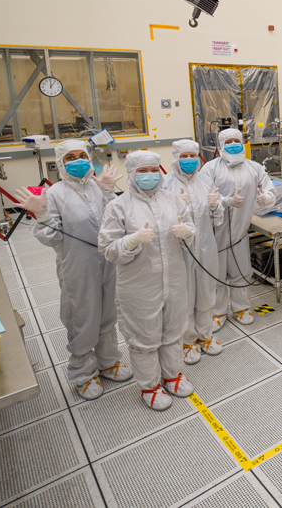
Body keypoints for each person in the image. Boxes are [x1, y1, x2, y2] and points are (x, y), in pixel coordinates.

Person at [12, 141, 131, 400]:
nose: (78, 161)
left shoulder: (97, 187)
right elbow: (50, 237)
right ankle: (83, 374)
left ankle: (108, 361)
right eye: (71, 157)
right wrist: (41, 214)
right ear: (61, 162)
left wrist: (110, 195)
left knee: (108, 312)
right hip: (77, 264)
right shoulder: (54, 193)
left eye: (82, 156)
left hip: (107, 262)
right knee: (83, 316)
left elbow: (114, 222)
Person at [98, 151, 196, 411]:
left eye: (153, 169)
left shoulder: (172, 200)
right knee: (144, 337)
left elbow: (189, 228)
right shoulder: (118, 206)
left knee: (173, 330)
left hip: (174, 279)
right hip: (139, 284)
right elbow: (107, 249)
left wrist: (187, 232)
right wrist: (131, 240)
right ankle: (149, 386)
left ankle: (172, 375)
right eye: (142, 171)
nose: (149, 175)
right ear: (132, 174)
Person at [201, 128, 276, 330]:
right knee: (216, 272)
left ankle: (241, 308)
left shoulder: (253, 167)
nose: (233, 144)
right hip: (216, 232)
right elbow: (204, 197)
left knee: (241, 270)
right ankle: (218, 311)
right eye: (229, 141)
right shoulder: (210, 168)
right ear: (220, 146)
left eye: (237, 140)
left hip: (241, 231)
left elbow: (269, 187)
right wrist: (226, 201)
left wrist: (266, 198)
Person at [162, 140, 225, 365]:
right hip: (181, 251)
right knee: (185, 295)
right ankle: (187, 340)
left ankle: (205, 335)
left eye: (193, 155)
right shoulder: (165, 184)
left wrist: (216, 205)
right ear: (176, 158)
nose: (189, 160)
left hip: (206, 248)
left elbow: (217, 220)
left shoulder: (206, 181)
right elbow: (160, 221)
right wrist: (178, 207)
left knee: (207, 291)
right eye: (184, 156)